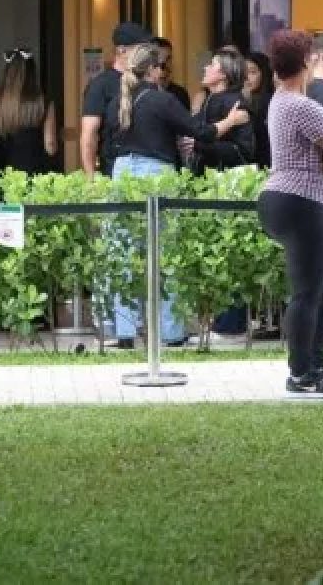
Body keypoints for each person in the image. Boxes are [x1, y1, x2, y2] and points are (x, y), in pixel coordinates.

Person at [108, 43, 250, 349]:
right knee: (164, 255)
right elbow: (201, 132)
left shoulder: (119, 102)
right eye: (163, 66)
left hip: (122, 171)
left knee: (123, 252)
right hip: (155, 172)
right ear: (154, 70)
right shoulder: (163, 100)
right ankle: (169, 332)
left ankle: (125, 331)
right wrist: (230, 122)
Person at [258, 30, 323, 399]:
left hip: (294, 199)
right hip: (304, 200)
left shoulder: (281, 100)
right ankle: (301, 372)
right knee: (310, 292)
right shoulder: (303, 106)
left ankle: (315, 363)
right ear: (308, 61)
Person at [80, 21, 150, 178]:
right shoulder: (100, 85)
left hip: (149, 168)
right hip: (114, 170)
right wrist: (90, 177)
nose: (145, 53)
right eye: (140, 48)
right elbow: (89, 133)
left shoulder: (147, 81)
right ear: (122, 50)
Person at [0, 49, 57, 175]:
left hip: (3, 171)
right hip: (35, 169)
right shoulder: (44, 102)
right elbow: (50, 146)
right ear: (32, 73)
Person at [186, 48, 256, 173]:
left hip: (226, 181)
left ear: (224, 74)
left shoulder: (234, 102)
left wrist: (199, 145)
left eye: (212, 64)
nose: (205, 68)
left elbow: (243, 151)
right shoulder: (212, 98)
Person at [243, 51, 274, 167]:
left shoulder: (270, 101)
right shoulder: (238, 99)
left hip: (265, 163)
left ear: (264, 73)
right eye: (244, 72)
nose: (246, 77)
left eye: (252, 72)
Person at [151, 36, 191, 110]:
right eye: (159, 59)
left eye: (168, 58)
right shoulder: (142, 94)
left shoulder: (180, 94)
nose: (164, 64)